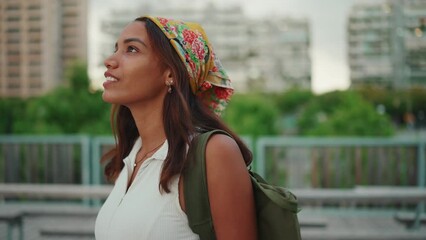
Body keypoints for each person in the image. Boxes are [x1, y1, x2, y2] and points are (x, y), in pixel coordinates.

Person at [95, 16, 257, 240]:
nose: (110, 60)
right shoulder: (134, 154)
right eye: (116, 49)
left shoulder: (215, 152)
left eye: (131, 49)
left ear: (170, 73)